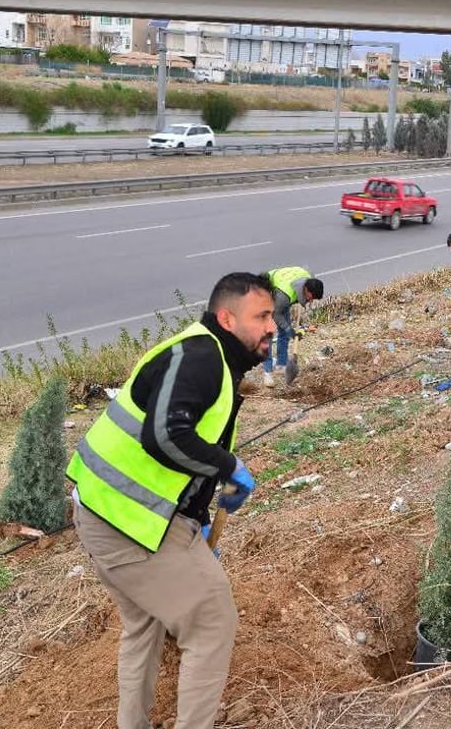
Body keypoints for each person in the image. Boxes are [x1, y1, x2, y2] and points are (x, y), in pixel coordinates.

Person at [67, 272, 276, 729]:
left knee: (144, 625)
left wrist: (197, 515)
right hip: (127, 521)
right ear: (227, 317)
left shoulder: (209, 356)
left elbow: (184, 447)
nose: (273, 326)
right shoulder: (202, 357)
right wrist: (227, 467)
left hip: (105, 510)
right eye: (261, 316)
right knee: (213, 620)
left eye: (273, 316)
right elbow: (165, 436)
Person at [261, 266, 324, 387]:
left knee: (284, 332)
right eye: (311, 298)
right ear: (306, 289)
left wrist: (290, 330)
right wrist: (291, 330)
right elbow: (276, 315)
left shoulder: (309, 279)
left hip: (281, 296)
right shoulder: (284, 296)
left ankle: (281, 365)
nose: (311, 301)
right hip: (267, 292)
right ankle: (267, 373)